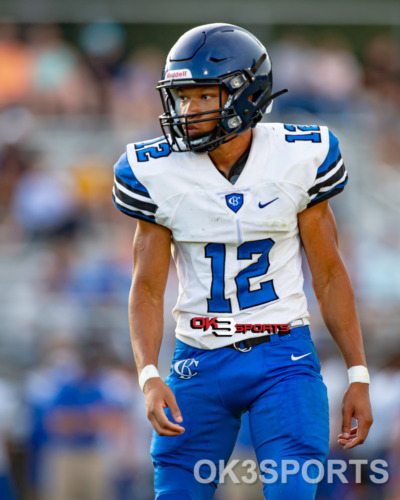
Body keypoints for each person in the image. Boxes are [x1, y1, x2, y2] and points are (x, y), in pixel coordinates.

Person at [112, 23, 373, 500]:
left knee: (293, 490)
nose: (186, 111)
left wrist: (358, 372)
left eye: (201, 96)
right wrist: (149, 374)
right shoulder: (155, 170)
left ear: (245, 95)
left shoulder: (298, 157)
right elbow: (146, 287)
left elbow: (330, 274)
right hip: (197, 359)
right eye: (182, 97)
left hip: (283, 357)